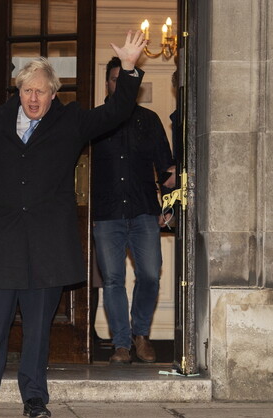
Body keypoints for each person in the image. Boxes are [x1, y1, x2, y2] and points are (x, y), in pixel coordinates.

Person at [0, 31, 147, 418]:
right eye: (27, 91)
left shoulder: (70, 121)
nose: (34, 98)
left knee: (38, 330)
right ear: (18, 91)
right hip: (3, 241)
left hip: (47, 243)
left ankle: (34, 398)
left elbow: (116, 112)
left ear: (53, 93)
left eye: (41, 91)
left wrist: (127, 69)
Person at [91, 56, 176, 365]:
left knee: (151, 275)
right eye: (115, 79)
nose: (120, 84)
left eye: (125, 79)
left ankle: (141, 335)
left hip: (143, 212)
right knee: (113, 280)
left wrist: (169, 205)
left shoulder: (149, 120)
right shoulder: (96, 120)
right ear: (108, 83)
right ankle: (122, 345)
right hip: (106, 214)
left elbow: (166, 166)